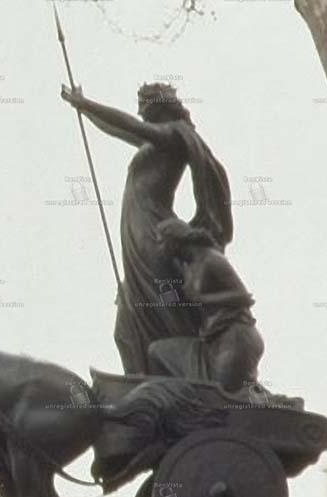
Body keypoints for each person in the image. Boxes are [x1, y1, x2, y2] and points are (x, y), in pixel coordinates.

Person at [60, 82, 233, 375]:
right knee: (128, 319)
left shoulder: (174, 133)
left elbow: (127, 124)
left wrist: (85, 103)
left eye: (143, 104)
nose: (139, 111)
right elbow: (120, 129)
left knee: (164, 305)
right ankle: (143, 378)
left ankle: (188, 375)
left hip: (153, 236)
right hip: (138, 235)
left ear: (160, 106)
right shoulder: (155, 140)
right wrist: (83, 110)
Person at [148, 218, 264, 391]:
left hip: (235, 339)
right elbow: (175, 304)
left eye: (161, 243)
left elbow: (243, 297)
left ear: (174, 240)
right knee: (157, 352)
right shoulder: (188, 267)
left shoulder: (212, 259)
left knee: (219, 396)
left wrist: (204, 299)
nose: (159, 249)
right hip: (210, 343)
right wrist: (161, 282)